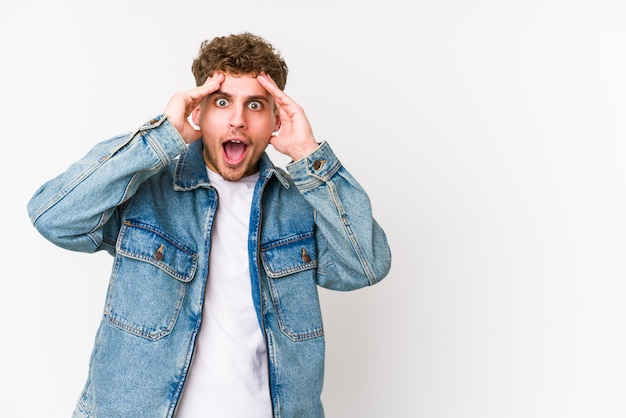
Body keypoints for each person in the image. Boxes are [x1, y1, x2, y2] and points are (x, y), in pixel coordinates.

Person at [27, 32, 391, 418]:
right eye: (221, 102)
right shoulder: (148, 193)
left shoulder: (299, 207)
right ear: (198, 112)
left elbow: (365, 265)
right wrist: (161, 136)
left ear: (275, 121)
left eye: (255, 105)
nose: (237, 119)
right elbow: (53, 216)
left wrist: (307, 153)